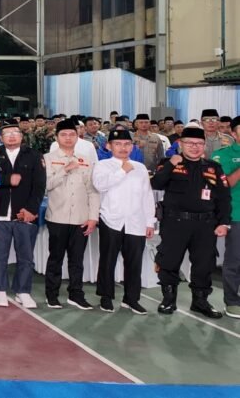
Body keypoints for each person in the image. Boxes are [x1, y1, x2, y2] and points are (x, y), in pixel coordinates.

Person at [152, 125, 231, 318]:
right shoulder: (168, 163)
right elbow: (156, 183)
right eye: (190, 143)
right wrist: (171, 164)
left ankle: (200, 301)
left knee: (204, 264)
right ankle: (168, 300)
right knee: (169, 261)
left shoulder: (213, 167)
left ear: (204, 145)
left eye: (199, 143)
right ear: (181, 143)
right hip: (175, 223)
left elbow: (223, 197)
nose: (194, 147)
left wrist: (223, 222)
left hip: (205, 225)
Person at [92, 128, 156, 314]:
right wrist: (122, 170)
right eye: (118, 144)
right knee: (108, 260)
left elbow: (147, 196)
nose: (123, 148)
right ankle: (106, 297)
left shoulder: (140, 167)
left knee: (134, 262)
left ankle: (131, 299)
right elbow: (100, 185)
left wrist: (149, 222)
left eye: (127, 144)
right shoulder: (103, 165)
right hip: (111, 220)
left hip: (136, 221)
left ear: (132, 146)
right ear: (109, 146)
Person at [0, 119, 46, 309]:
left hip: (25, 214)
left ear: (21, 136)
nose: (11, 136)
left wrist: (31, 210)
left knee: (26, 256)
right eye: (7, 133)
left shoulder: (34, 155)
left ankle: (23, 291)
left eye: (15, 132)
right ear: (1, 137)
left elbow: (39, 186)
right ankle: (0, 289)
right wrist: (7, 179)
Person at [43, 119, 99, 310]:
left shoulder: (86, 159)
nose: (68, 138)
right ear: (56, 137)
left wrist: (93, 217)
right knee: (55, 258)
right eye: (63, 135)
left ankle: (76, 294)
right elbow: (46, 185)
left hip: (81, 218)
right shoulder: (48, 158)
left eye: (72, 134)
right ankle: (52, 295)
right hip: (57, 216)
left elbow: (93, 190)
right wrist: (65, 170)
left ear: (77, 136)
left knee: (77, 260)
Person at [212, 118, 240, 318]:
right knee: (234, 260)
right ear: (234, 134)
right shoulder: (222, 155)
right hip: (237, 214)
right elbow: (225, 184)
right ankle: (232, 301)